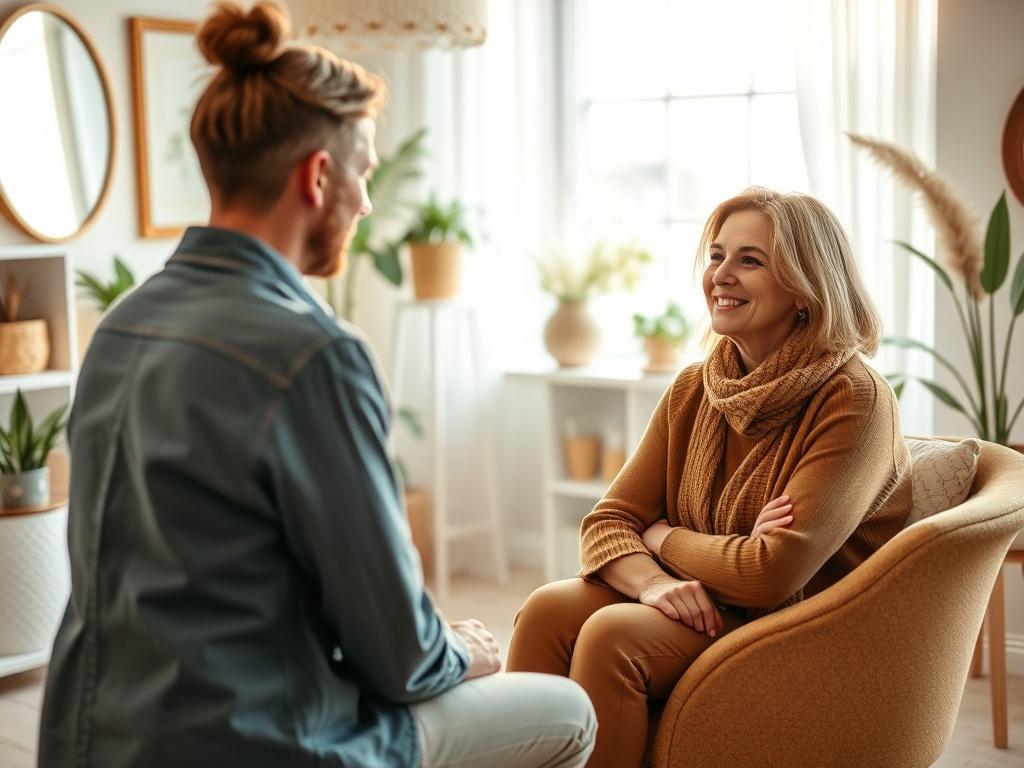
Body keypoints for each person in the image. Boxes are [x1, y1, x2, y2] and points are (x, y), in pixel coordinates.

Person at [37, 3, 595, 766]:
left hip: (92, 740)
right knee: (567, 710)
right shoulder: (313, 353)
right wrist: (463, 650)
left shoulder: (123, 324)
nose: (366, 202)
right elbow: (399, 656)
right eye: (364, 172)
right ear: (319, 175)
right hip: (257, 744)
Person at [507, 187, 913, 768]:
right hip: (708, 602)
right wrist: (654, 582)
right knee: (549, 608)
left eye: (750, 260)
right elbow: (607, 522)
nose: (721, 275)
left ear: (804, 288)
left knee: (612, 638)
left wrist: (664, 537)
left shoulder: (854, 399)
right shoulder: (696, 388)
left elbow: (770, 574)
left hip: (803, 624)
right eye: (717, 255)